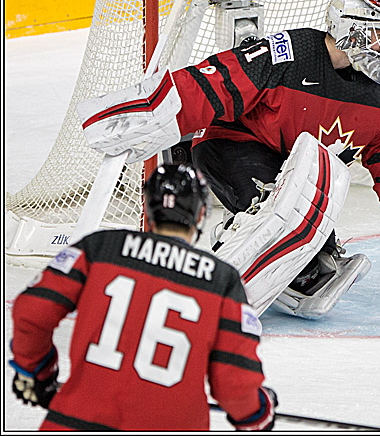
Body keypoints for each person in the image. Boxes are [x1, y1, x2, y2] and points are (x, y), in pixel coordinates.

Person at [77, 0, 380, 320]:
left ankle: (299, 260)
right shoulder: (288, 54)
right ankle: (231, 248)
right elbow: (218, 83)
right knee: (280, 214)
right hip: (232, 145)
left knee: (311, 246)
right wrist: (149, 115)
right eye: (375, 34)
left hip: (297, 172)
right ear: (347, 31)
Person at [9, 163, 276, 431]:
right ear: (201, 214)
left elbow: (31, 311)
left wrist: (36, 371)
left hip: (74, 423)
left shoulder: (99, 248)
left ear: (148, 209)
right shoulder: (222, 280)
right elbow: (235, 387)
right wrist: (258, 410)